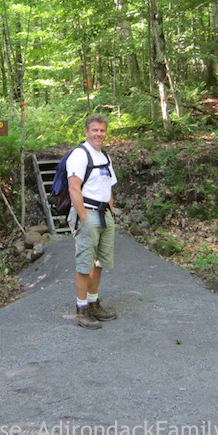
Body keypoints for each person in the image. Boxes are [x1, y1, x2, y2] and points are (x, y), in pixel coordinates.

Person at [66, 114, 118, 329]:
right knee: (85, 264)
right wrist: (84, 217)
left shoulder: (104, 155)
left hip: (104, 214)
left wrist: (111, 213)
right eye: (94, 130)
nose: (99, 134)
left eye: (102, 130)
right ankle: (82, 309)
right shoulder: (79, 155)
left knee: (99, 263)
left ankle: (94, 302)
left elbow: (109, 187)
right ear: (86, 131)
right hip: (87, 213)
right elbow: (73, 187)